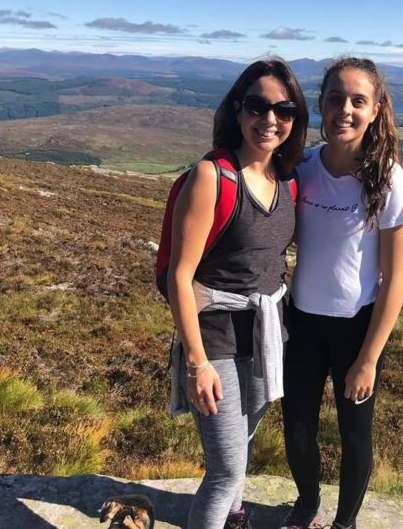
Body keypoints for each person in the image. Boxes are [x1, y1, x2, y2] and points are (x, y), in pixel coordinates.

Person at [167, 58, 308, 529]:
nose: (270, 120)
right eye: (257, 106)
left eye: (284, 110)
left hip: (268, 336)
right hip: (217, 338)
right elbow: (179, 276)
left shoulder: (288, 179)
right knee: (226, 470)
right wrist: (197, 362)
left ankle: (234, 520)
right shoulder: (212, 176)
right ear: (237, 109)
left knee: (243, 445)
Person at [281, 57, 403, 529]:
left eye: (359, 100)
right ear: (320, 104)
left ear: (376, 109)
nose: (345, 109)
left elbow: (396, 278)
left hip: (356, 330)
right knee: (297, 429)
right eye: (335, 98)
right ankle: (306, 505)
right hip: (301, 323)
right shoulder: (300, 166)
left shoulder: (389, 180)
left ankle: (345, 523)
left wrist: (369, 358)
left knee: (355, 436)